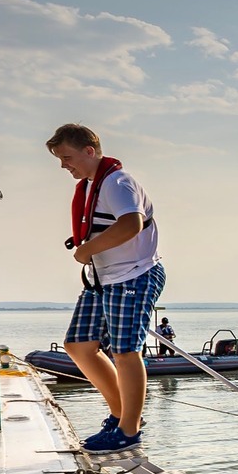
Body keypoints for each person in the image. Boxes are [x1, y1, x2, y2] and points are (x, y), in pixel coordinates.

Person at [49, 124, 165, 454]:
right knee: (78, 345)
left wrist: (87, 250)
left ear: (90, 151)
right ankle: (121, 416)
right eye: (59, 159)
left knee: (126, 350)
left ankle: (129, 430)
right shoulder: (89, 186)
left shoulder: (117, 182)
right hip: (103, 279)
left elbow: (132, 223)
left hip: (134, 275)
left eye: (67, 157)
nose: (63, 165)